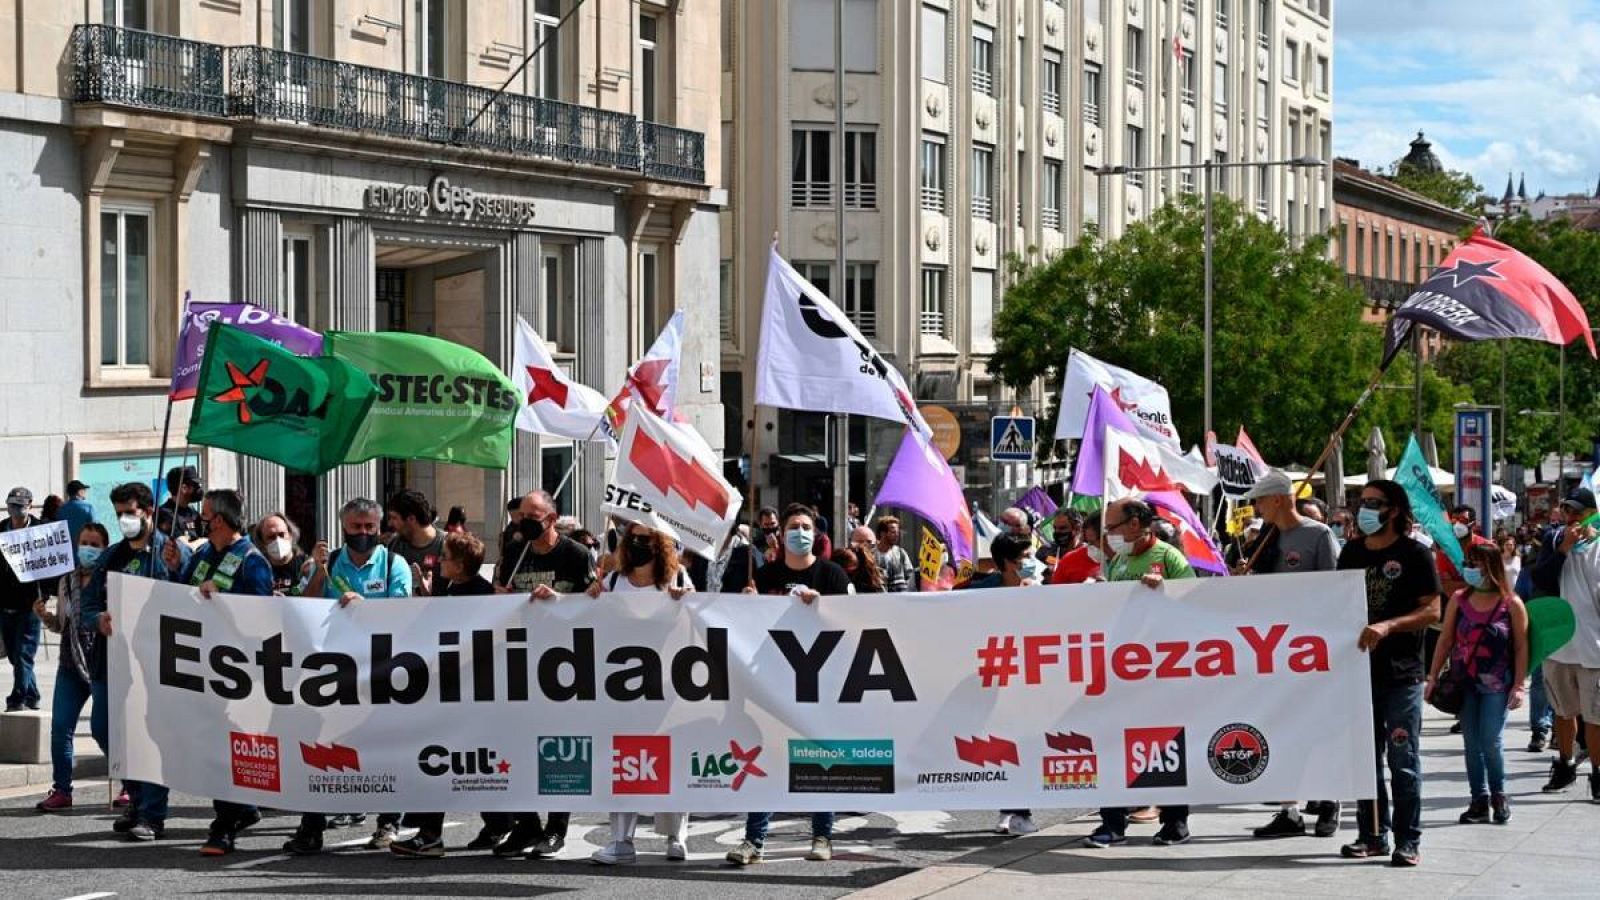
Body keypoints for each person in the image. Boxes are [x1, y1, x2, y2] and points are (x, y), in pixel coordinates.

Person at [285, 497, 413, 855]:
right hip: (334, 673)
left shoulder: (393, 564)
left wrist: (365, 607)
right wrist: (317, 570)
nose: (363, 533)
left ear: (379, 527)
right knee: (323, 748)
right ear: (344, 527)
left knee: (386, 748)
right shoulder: (329, 564)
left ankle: (389, 821)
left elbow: (404, 611)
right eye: (356, 527)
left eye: (370, 527)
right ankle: (311, 828)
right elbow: (305, 606)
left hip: (382, 672)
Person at [727, 503, 851, 867]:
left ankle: (822, 835)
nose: (800, 532)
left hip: (819, 684)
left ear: (817, 533)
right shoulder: (764, 577)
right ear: (781, 534)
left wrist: (822, 607)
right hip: (773, 684)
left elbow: (851, 625)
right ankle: (754, 841)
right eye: (794, 526)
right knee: (765, 757)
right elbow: (745, 629)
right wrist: (748, 606)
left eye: (806, 526)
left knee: (820, 760)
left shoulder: (832, 576)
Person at [163, 489, 275, 855]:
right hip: (201, 666)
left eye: (206, 514)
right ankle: (242, 808)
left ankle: (223, 826)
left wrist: (222, 600)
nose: (199, 519)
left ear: (221, 521)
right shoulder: (203, 554)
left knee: (229, 747)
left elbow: (261, 619)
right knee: (211, 744)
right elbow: (183, 598)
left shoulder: (251, 562)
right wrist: (175, 568)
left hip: (237, 671)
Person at [1083, 498, 1196, 849]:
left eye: (1113, 527)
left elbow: (1196, 602)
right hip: (1122, 669)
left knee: (1166, 746)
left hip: (1161, 669)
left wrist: (1165, 591)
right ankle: (1112, 823)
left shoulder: (1168, 558)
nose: (1108, 535)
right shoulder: (1119, 561)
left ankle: (1175, 822)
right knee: (1112, 743)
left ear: (1135, 524)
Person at [1338, 479, 1440, 868]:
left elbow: (1432, 611)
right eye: (1360, 502)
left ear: (1394, 509)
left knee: (1403, 759)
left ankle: (1408, 839)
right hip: (1355, 674)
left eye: (1373, 503)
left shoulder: (1415, 554)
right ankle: (1371, 835)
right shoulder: (1350, 552)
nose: (1363, 509)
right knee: (1365, 760)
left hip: (1401, 676)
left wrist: (1388, 626)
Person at [493, 489, 596, 860]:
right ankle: (526, 825)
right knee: (516, 746)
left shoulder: (576, 555)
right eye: (520, 515)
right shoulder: (513, 553)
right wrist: (499, 596)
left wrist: (560, 600)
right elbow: (498, 601)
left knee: (560, 748)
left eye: (532, 516)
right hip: (519, 665)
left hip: (563, 667)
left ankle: (556, 828)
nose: (523, 523)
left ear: (552, 519)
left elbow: (596, 606)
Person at [1240, 470, 1343, 839]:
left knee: (1318, 728)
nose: (1257, 506)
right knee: (1280, 728)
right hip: (1273, 650)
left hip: (1310, 650)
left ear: (1281, 499)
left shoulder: (1319, 535)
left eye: (1261, 499)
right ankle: (1289, 810)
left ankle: (1330, 800)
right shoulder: (1264, 538)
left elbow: (1335, 590)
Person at [587, 523, 695, 865]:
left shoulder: (676, 579)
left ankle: (676, 836)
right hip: (623, 687)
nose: (636, 542)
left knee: (673, 757)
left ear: (660, 543)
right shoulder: (613, 581)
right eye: (631, 536)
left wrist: (686, 602)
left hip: (669, 685)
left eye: (645, 537)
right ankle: (621, 840)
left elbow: (701, 618)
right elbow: (583, 615)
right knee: (625, 760)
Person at [391, 531, 498, 859]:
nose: (440, 562)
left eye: (447, 557)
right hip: (447, 690)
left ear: (462, 564)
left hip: (469, 693)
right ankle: (495, 823)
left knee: (447, 760)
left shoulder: (482, 593)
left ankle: (433, 834)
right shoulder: (450, 588)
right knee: (451, 761)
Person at [87, 481, 190, 825]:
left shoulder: (170, 552)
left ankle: (152, 814)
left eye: (129, 513)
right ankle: (137, 794)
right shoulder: (111, 556)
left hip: (156, 661)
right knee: (105, 731)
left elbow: (189, 596)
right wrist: (97, 618)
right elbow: (86, 605)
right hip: (113, 662)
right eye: (118, 514)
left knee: (150, 735)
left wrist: (175, 570)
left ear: (147, 512)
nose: (123, 520)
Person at [1426, 541, 1529, 825]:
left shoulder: (1512, 603)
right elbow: (1445, 640)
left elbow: (1521, 647)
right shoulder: (1459, 599)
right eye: (1468, 563)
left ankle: (1499, 794)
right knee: (1471, 743)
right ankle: (1478, 800)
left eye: (1475, 563)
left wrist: (1519, 685)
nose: (1469, 568)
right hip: (1464, 683)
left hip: (1497, 685)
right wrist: (1432, 676)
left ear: (1491, 566)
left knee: (1491, 741)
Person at [961, 532, 1040, 836]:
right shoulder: (981, 592)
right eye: (1024, 558)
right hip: (991, 679)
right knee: (1001, 744)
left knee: (1025, 742)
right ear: (1007, 563)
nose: (1030, 563)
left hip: (1029, 679)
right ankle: (1011, 808)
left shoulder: (1041, 590)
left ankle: (1019, 810)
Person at [32, 522, 111, 813]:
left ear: (105, 548)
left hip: (101, 663)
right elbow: (64, 626)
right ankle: (62, 789)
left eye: (94, 544)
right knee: (60, 728)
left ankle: (130, 784)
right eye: (84, 543)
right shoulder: (66, 582)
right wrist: (45, 616)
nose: (87, 549)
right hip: (69, 665)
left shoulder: (110, 580)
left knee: (103, 730)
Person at [1539, 487, 1600, 801]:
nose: (1571, 518)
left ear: (1592, 513)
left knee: (1595, 716)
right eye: (1567, 512)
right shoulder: (1552, 542)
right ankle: (1565, 763)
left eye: (1578, 512)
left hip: (1594, 648)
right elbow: (1541, 581)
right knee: (1563, 711)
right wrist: (1563, 549)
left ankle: (1599, 774)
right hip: (1559, 645)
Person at [1, 486, 44, 712]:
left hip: (30, 606)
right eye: (11, 505)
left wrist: (44, 597)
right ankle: (33, 694)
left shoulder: (42, 532)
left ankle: (17, 698)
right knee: (15, 656)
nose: (14, 510)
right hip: (5, 605)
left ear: (29, 505)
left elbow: (51, 568)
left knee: (24, 654)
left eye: (19, 506)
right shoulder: (0, 530)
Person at [386, 489, 446, 596]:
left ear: (411, 519)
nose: (390, 523)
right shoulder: (394, 545)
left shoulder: (447, 545)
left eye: (394, 518)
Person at [253, 512, 310, 595]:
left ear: (290, 535)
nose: (277, 540)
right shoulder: (259, 568)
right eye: (271, 537)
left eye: (281, 534)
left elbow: (303, 592)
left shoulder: (306, 565)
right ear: (262, 543)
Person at [1050, 514, 1103, 585]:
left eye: (1063, 528)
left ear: (1077, 528)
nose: (1057, 532)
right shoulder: (1049, 550)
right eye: (1055, 528)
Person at [871, 516, 915, 593]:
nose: (897, 535)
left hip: (901, 599)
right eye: (893, 532)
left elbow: (910, 576)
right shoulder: (872, 555)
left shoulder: (901, 553)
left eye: (897, 532)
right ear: (882, 533)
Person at [159, 466, 202, 542]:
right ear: (184, 488)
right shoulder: (163, 515)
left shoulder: (193, 513)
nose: (198, 489)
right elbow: (180, 545)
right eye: (195, 485)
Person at [60, 480, 95, 545]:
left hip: (67, 551)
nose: (85, 492)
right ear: (79, 492)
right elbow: (96, 530)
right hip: (84, 548)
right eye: (84, 490)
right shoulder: (88, 508)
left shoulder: (61, 510)